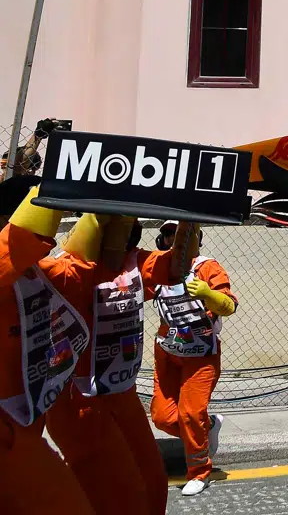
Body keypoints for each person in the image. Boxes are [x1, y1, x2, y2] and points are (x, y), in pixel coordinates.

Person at [41, 214, 166, 515]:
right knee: (119, 495)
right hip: (77, 400)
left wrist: (191, 221)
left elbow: (173, 269)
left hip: (122, 392)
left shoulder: (133, 263)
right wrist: (97, 211)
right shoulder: (61, 270)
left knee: (153, 484)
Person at [0, 180, 96, 515]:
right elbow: (21, 242)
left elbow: (81, 262)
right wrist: (54, 184)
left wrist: (106, 213)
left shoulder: (38, 275)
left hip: (25, 426)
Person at [149, 220, 237, 497]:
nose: (175, 239)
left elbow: (229, 305)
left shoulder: (208, 267)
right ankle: (207, 426)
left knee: (190, 413)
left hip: (200, 353)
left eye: (181, 234)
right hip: (168, 351)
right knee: (162, 417)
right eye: (168, 234)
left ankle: (199, 471)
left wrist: (207, 294)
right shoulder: (159, 265)